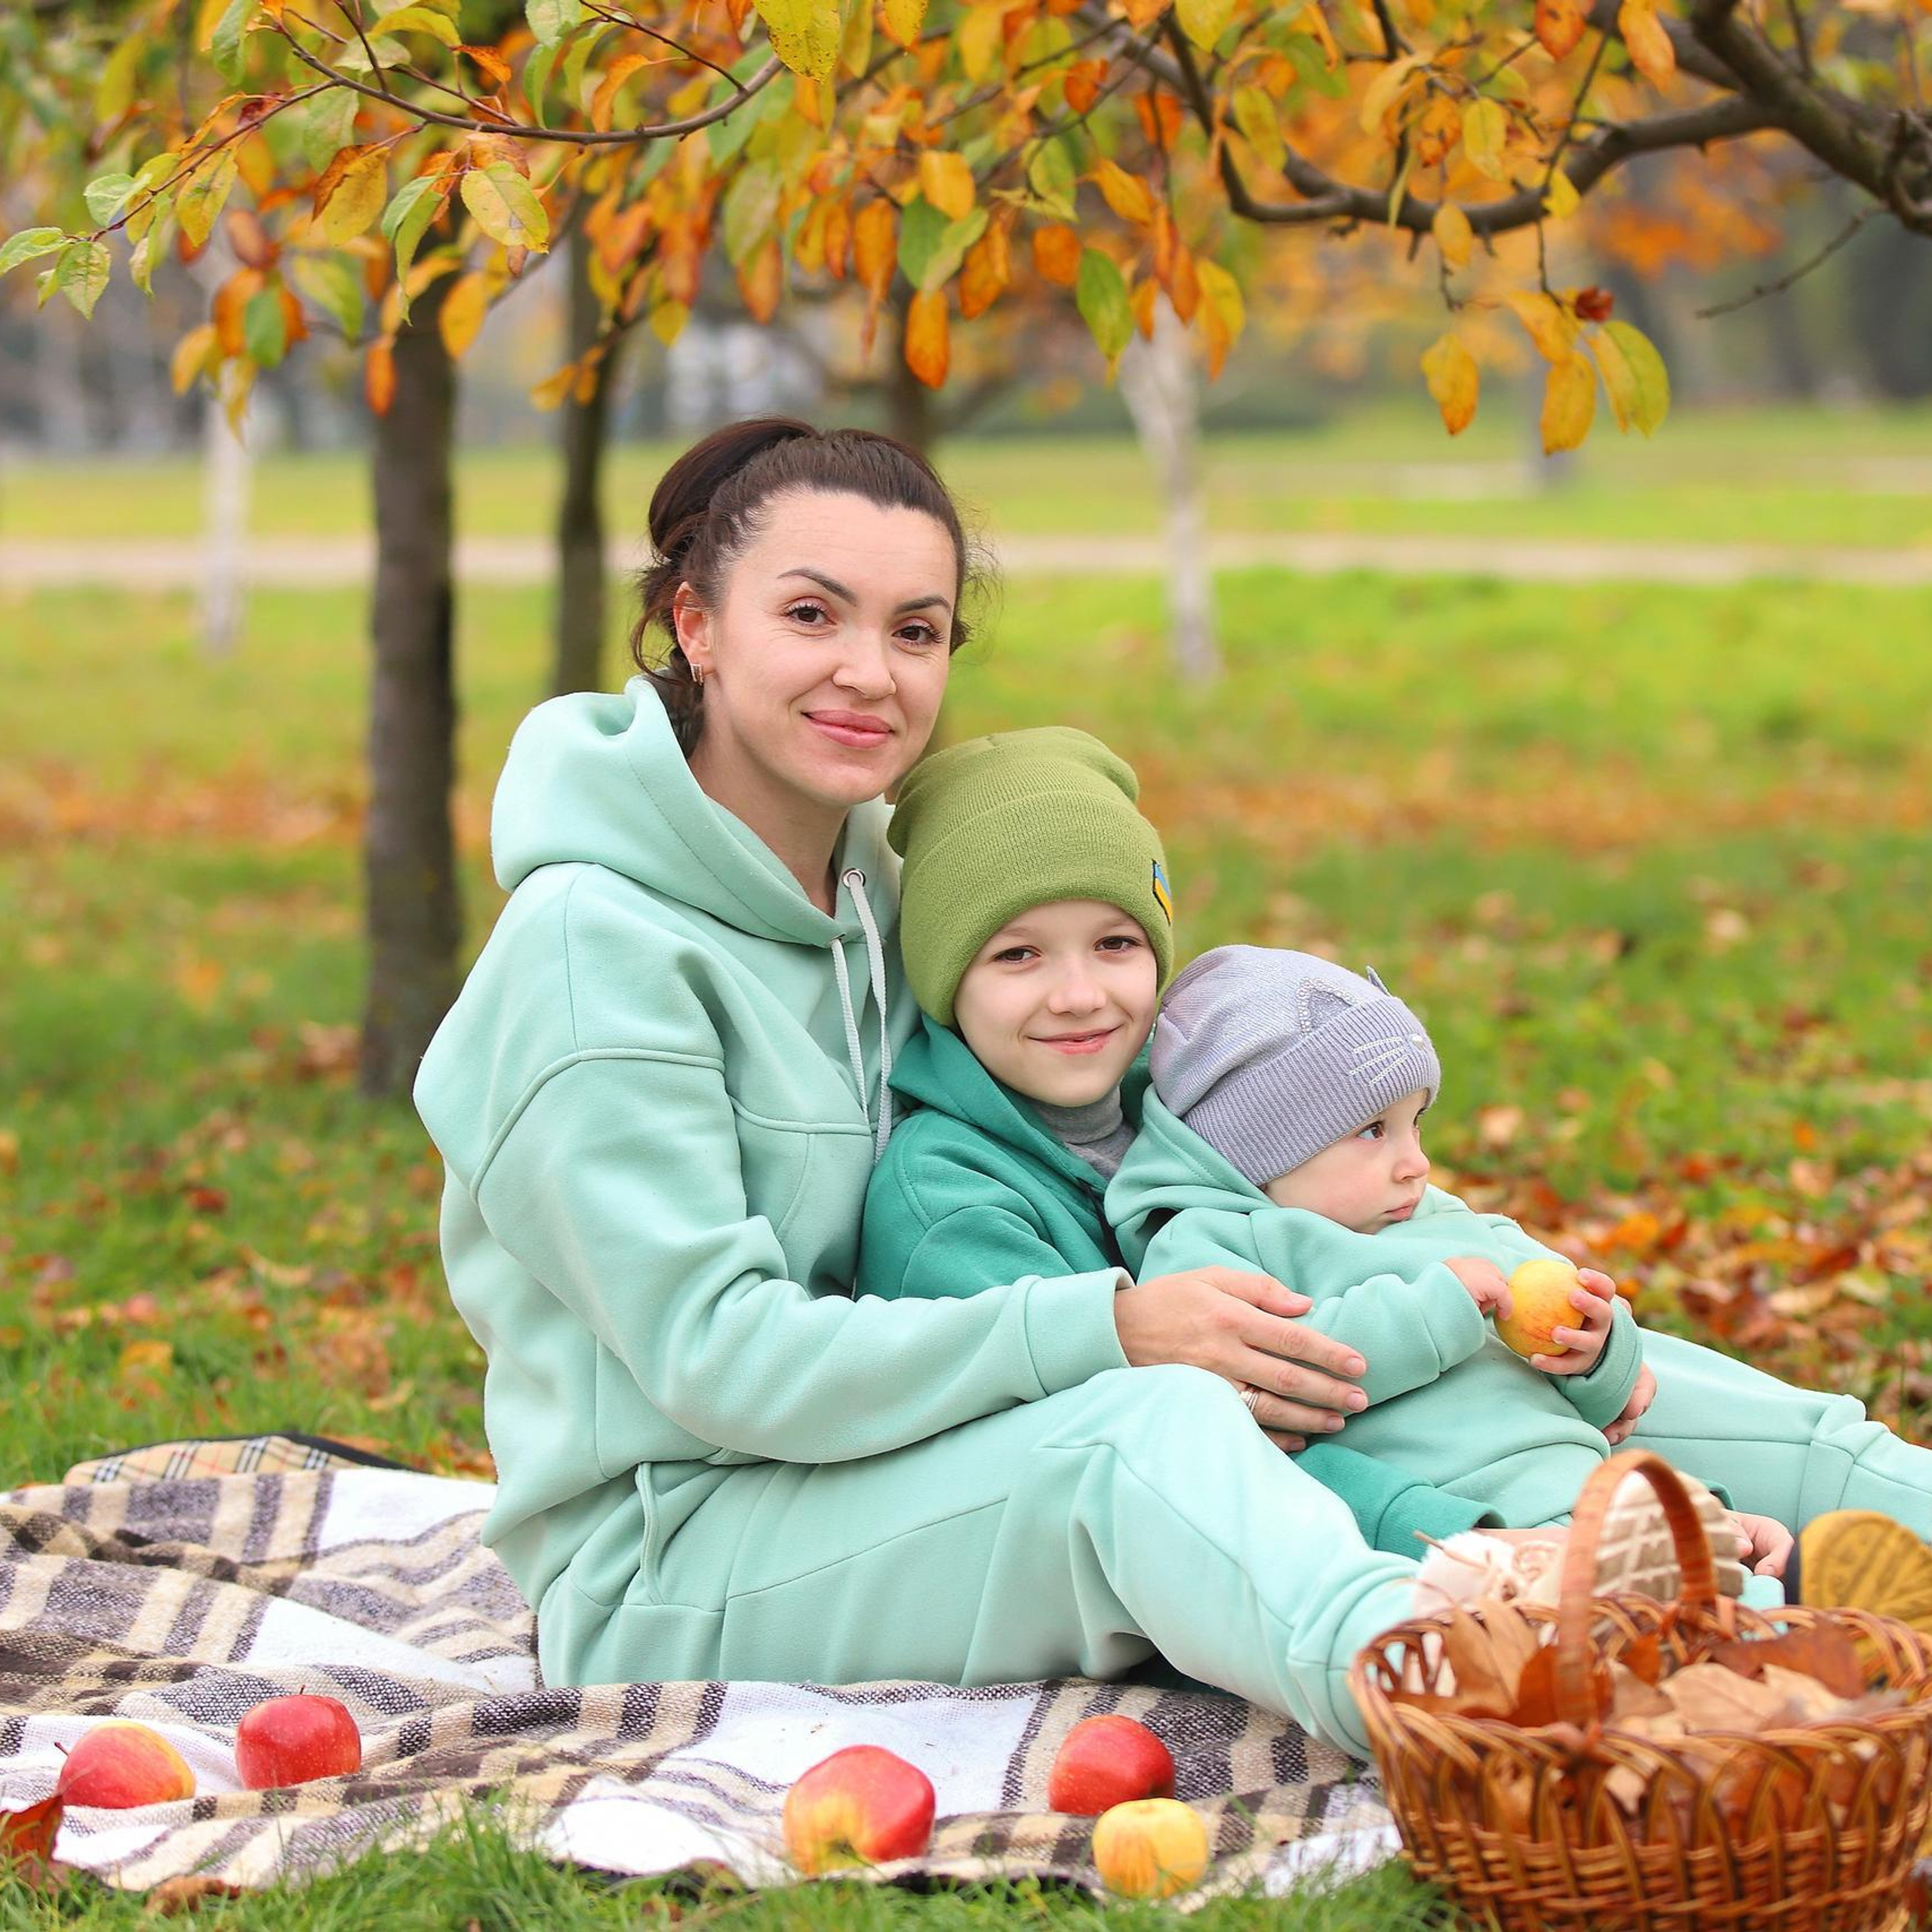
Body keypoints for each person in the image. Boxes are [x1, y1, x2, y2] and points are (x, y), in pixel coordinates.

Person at [412, 417, 1438, 1762]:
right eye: (810, 614)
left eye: (916, 630)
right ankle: (1460, 1703)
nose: (869, 672)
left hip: (890, 1458)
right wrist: (1109, 1327)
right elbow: (722, 1361)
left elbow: (1096, 1108)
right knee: (1144, 1436)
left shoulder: (879, 892)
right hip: (671, 1554)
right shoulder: (589, 959)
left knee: (1355, 1313)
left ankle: (1712, 1539)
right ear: (696, 625)